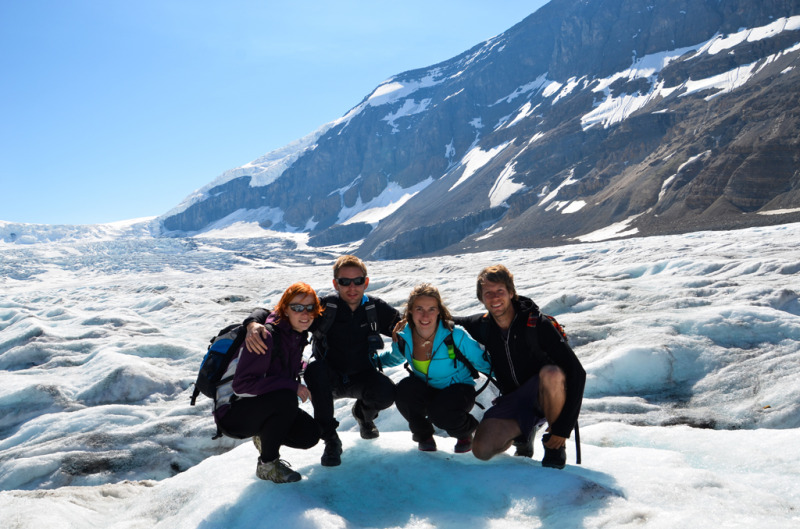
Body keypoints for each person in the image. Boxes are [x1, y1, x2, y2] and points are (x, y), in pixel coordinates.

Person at [244, 255, 401, 467]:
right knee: (314, 369)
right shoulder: (326, 308)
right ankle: (331, 440)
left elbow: (413, 325)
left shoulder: (376, 309)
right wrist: (252, 323)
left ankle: (363, 416)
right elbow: (278, 313)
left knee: (387, 393)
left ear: (366, 282)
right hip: (329, 379)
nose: (352, 287)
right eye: (345, 281)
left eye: (358, 281)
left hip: (363, 377)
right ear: (336, 283)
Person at [454, 265, 586, 469]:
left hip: (548, 394)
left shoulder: (537, 325)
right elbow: (445, 320)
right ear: (481, 298)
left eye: (500, 291)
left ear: (511, 293)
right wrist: (407, 321)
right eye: (488, 293)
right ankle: (523, 435)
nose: (495, 298)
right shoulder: (483, 325)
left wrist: (562, 428)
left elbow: (577, 373)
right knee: (481, 449)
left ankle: (554, 447)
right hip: (515, 401)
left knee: (551, 373)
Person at [214, 282, 322, 483]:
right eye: (297, 307)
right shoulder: (266, 337)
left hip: (258, 406)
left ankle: (264, 437)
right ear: (285, 309)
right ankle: (267, 465)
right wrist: (293, 386)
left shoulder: (294, 333)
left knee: (309, 434)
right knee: (286, 397)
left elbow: (280, 365)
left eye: (310, 307)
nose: (305, 313)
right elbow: (242, 385)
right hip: (232, 414)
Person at [381, 283, 492, 453]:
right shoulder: (404, 336)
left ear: (439, 310)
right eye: (419, 308)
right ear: (410, 310)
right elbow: (393, 357)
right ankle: (424, 436)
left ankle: (466, 431)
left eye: (431, 309)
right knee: (404, 390)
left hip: (459, 390)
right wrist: (370, 362)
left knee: (440, 413)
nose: (425, 315)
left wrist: (511, 387)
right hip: (427, 389)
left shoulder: (455, 334)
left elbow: (482, 362)